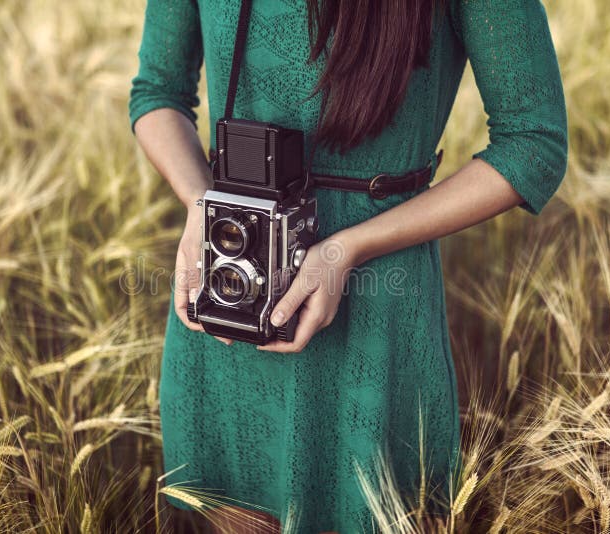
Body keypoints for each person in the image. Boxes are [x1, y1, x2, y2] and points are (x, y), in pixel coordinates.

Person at [128, 0, 567, 532]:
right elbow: (157, 93)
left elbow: (533, 144)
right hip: (230, 279)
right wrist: (205, 204)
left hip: (372, 311)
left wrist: (347, 250)